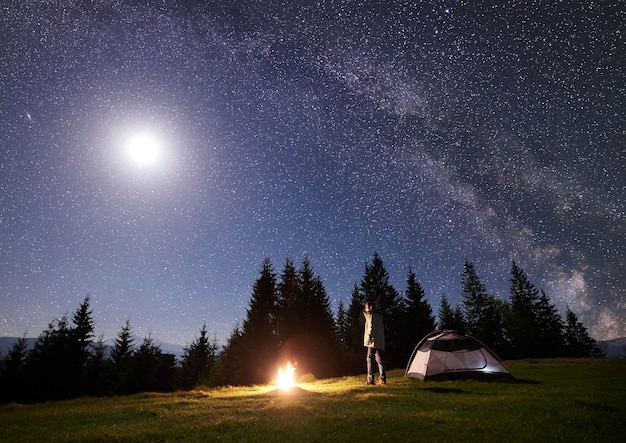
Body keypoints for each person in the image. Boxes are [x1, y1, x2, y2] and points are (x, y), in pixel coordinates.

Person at [363, 301, 386, 385]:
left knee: (369, 359)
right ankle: (382, 379)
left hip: (373, 341)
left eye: (366, 307)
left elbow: (371, 327)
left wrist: (369, 338)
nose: (365, 309)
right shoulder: (378, 316)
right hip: (379, 341)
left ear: (370, 307)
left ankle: (370, 379)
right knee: (379, 359)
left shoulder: (373, 315)